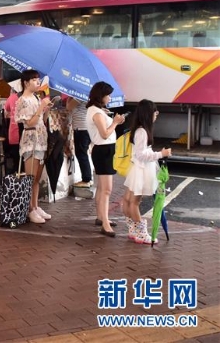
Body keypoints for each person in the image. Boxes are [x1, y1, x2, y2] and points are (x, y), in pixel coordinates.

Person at [122, 100, 171, 243]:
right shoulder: (142, 131)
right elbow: (141, 154)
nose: (156, 115)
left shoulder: (138, 129)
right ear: (148, 114)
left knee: (129, 200)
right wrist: (161, 154)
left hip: (137, 169)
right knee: (135, 202)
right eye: (155, 112)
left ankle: (133, 230)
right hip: (141, 170)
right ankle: (142, 234)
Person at [86, 81, 126, 237]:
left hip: (104, 149)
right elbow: (104, 134)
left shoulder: (96, 110)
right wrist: (115, 123)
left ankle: (101, 217)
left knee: (102, 188)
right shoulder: (96, 112)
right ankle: (105, 223)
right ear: (101, 96)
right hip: (103, 149)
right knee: (107, 188)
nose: (109, 98)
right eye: (108, 95)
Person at [16, 70, 53, 224]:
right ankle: (29, 209)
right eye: (34, 80)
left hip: (41, 140)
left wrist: (46, 109)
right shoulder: (22, 100)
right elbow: (29, 123)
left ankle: (35, 206)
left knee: (37, 177)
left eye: (38, 79)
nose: (38, 82)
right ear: (26, 82)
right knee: (30, 177)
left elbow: (41, 120)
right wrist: (40, 108)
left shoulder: (37, 97)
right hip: (30, 141)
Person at [69, 98, 93, 189]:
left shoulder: (79, 96)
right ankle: (87, 179)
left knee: (81, 154)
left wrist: (69, 98)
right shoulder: (84, 95)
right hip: (84, 128)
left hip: (81, 128)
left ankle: (86, 179)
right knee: (82, 154)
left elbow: (68, 107)